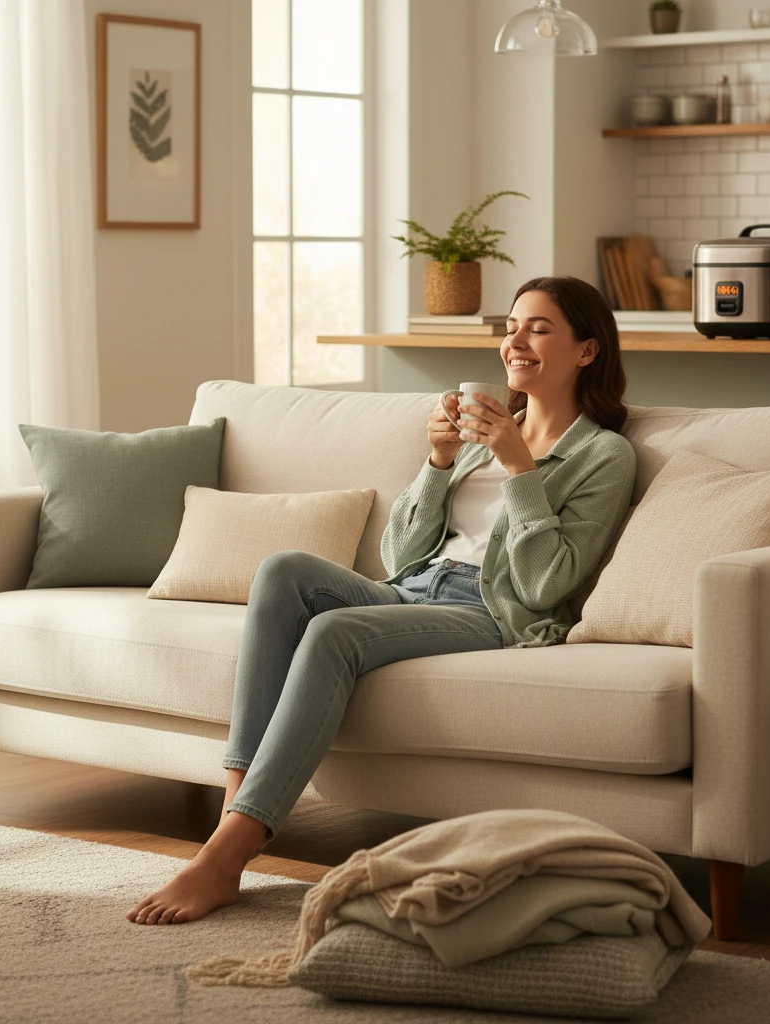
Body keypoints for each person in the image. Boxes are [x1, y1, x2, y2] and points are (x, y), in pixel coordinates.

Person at [127, 275, 637, 925]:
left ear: (587, 351)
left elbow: (547, 585)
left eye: (538, 328)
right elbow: (399, 558)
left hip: (489, 614)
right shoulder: (483, 434)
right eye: (510, 327)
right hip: (412, 589)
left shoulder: (604, 454)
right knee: (284, 570)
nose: (516, 341)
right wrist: (439, 459)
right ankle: (235, 816)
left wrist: (519, 467)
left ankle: (230, 853)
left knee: (336, 631)